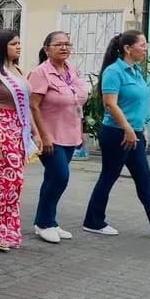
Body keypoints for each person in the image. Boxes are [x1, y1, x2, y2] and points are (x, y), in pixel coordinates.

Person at [83, 32, 150, 239]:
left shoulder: (136, 72)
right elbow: (110, 104)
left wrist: (142, 128)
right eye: (142, 44)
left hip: (134, 133)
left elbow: (137, 104)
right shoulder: (114, 72)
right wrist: (128, 129)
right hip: (117, 134)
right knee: (109, 176)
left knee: (143, 178)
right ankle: (93, 221)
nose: (146, 49)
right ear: (128, 48)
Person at [0, 29, 41, 252]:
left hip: (19, 128)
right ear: (1, 46)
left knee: (16, 182)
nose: (18, 47)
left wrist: (35, 131)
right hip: (0, 127)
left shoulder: (17, 70)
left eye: (19, 43)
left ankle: (7, 229)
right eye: (13, 44)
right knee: (6, 182)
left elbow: (26, 105)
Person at [30, 31, 89, 244]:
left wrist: (80, 130)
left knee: (52, 178)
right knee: (60, 177)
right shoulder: (40, 73)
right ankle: (44, 223)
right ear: (47, 49)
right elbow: (33, 106)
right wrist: (42, 135)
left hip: (70, 134)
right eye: (58, 44)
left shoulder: (70, 70)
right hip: (50, 135)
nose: (64, 48)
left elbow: (76, 103)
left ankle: (48, 221)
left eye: (67, 44)